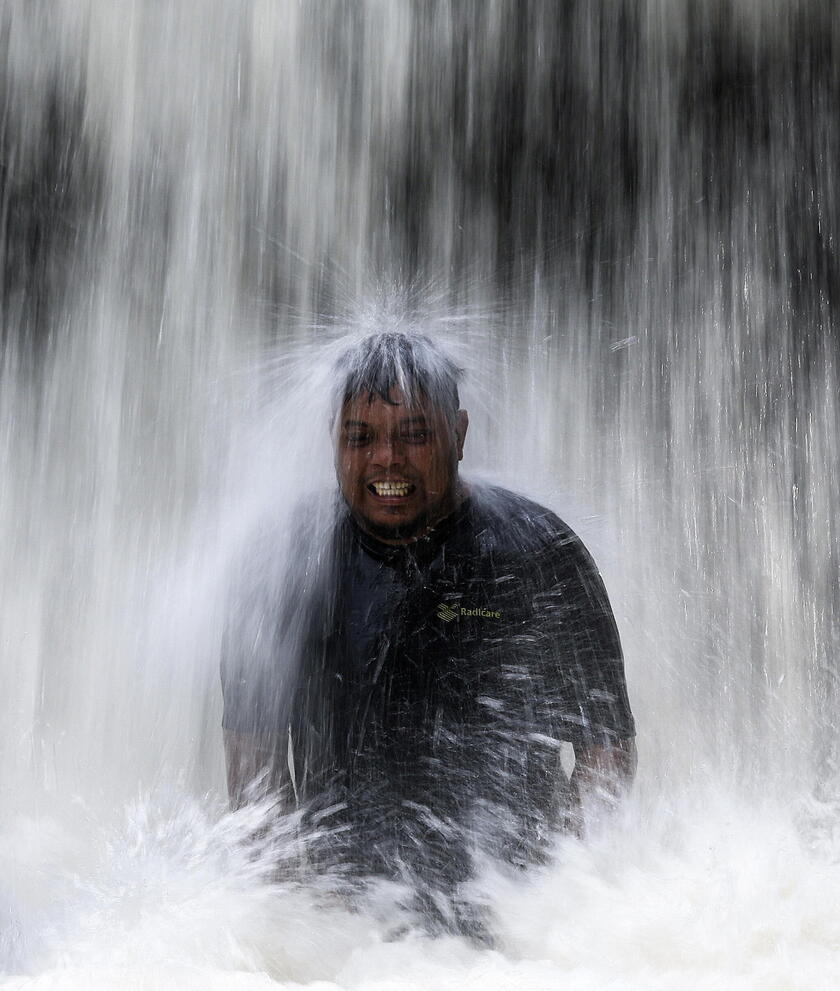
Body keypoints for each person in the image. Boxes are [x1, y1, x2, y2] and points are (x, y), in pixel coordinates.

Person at [221, 331, 635, 927]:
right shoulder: (280, 566)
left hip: (510, 912)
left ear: (458, 434)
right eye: (361, 437)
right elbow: (255, 776)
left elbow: (604, 756)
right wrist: (302, 928)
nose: (386, 459)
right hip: (344, 921)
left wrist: (558, 909)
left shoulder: (539, 555)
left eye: (413, 435)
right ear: (333, 439)